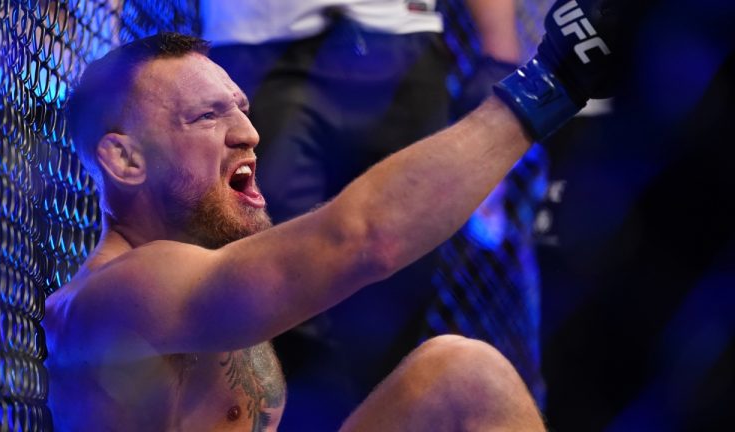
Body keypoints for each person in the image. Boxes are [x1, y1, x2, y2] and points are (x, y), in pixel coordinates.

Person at [44, 0, 614, 429]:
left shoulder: (202, 270)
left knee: (460, 374)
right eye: (205, 117)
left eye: (241, 109)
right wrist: (551, 83)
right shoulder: (118, 295)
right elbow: (360, 238)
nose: (248, 133)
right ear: (124, 158)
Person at [201, 3, 531, 427]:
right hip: (260, 39)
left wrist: (499, 53)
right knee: (282, 277)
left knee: (398, 292)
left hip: (402, 36)